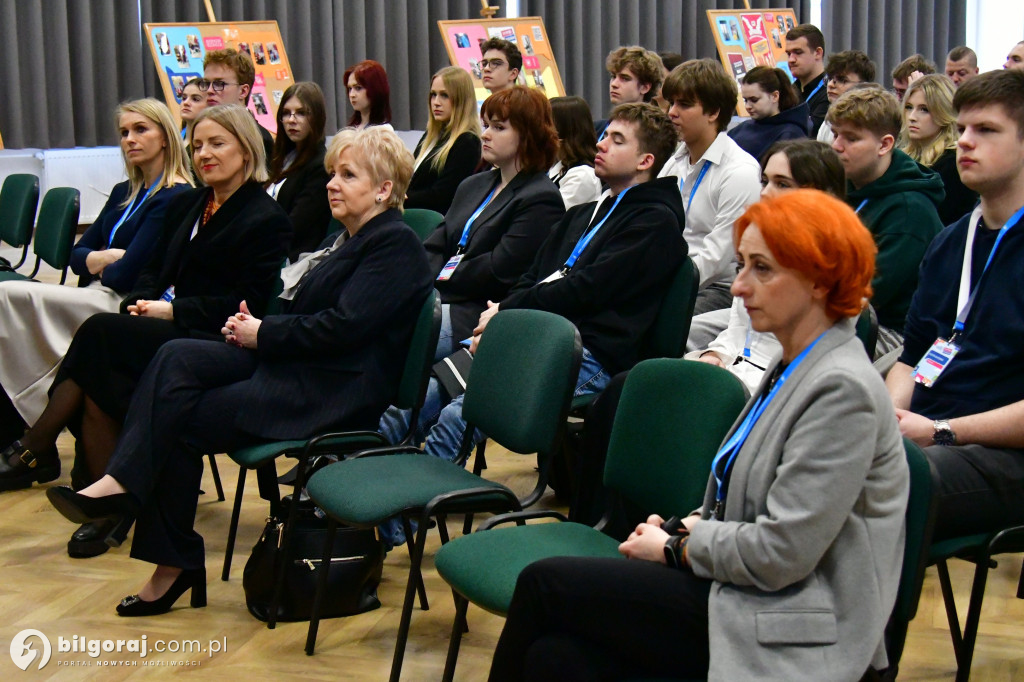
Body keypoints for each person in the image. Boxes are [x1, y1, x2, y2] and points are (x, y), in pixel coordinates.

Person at [489, 189, 908, 682]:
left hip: (793, 622)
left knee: (545, 585)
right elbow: (750, 497)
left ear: (819, 280)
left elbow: (781, 553)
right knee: (553, 659)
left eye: (761, 269)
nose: (738, 286)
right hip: (747, 590)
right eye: (742, 265)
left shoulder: (842, 390)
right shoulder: (794, 362)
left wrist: (675, 549)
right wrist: (682, 527)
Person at [44, 127, 433, 616]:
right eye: (332, 173)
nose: (332, 183)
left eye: (348, 175)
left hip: (329, 388)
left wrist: (263, 333)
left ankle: (168, 558)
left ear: (382, 189)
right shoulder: (349, 240)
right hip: (298, 364)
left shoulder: (393, 243)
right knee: (177, 354)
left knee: (179, 418)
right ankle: (124, 486)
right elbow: (314, 317)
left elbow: (345, 328)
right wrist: (253, 325)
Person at [0, 105, 290, 556]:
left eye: (217, 143)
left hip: (213, 337)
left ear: (246, 148)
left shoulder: (265, 217)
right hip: (163, 322)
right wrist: (145, 302)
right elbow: (154, 268)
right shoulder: (191, 202)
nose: (204, 154)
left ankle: (40, 446)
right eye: (196, 146)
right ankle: (105, 498)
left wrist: (172, 312)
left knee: (98, 332)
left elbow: (244, 303)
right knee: (99, 380)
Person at [401, 102, 685, 484]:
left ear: (645, 160)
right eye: (605, 135)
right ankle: (364, 487)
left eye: (617, 140)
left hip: (587, 351)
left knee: (458, 415)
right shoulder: (586, 213)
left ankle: (395, 521)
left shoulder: (655, 223)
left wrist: (507, 314)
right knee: (424, 395)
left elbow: (586, 290)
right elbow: (532, 273)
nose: (601, 144)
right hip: (533, 334)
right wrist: (507, 313)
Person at [0, 99, 192, 473]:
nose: (129, 140)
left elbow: (129, 274)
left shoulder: (175, 196)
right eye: (124, 133)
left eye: (141, 130)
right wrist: (101, 258)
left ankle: (31, 442)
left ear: (166, 137)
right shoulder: (126, 190)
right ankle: (26, 437)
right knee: (8, 310)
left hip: (124, 303)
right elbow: (77, 253)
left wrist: (98, 261)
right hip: (95, 292)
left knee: (7, 296)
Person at [886, 68, 1024, 545]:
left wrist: (941, 430)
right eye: (962, 128)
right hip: (928, 435)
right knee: (807, 450)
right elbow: (912, 358)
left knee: (877, 484)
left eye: (986, 130)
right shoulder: (951, 242)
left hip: (1001, 453)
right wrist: (888, 418)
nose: (964, 141)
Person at [418, 86, 564, 361]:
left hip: (475, 311)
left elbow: (498, 270)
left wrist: (441, 279)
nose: (485, 134)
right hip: (438, 296)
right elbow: (436, 243)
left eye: (498, 127)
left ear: (527, 134)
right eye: (487, 125)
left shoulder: (541, 199)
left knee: (398, 333)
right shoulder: (474, 184)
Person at [690, 140, 846, 395]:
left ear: (817, 194)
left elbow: (800, 365)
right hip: (736, 369)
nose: (764, 193)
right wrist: (715, 354)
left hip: (776, 387)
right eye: (765, 182)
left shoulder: (828, 265)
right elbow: (738, 329)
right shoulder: (764, 241)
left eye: (782, 184)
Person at [828, 86, 945, 355]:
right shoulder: (844, 185)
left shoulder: (909, 211)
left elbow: (864, 297)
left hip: (891, 331)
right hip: (838, 311)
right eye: (835, 134)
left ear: (885, 145)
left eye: (851, 138)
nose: (836, 146)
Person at [658, 59, 761, 315]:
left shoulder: (739, 172)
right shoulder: (674, 161)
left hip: (716, 289)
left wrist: (655, 288)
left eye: (684, 104)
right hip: (668, 277)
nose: (671, 112)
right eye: (671, 102)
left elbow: (715, 259)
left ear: (713, 112)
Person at [265, 81, 332, 261]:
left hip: (293, 258)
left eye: (301, 113)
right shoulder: (282, 158)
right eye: (286, 113)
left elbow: (294, 227)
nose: (291, 120)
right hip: (268, 248)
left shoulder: (319, 166)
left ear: (317, 117)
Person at [899, 74, 979, 224]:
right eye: (909, 107)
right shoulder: (903, 158)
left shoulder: (953, 163)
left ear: (943, 112)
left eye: (924, 109)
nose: (912, 117)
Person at [406, 66, 482, 214]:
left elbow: (442, 196)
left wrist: (399, 199)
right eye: (433, 95)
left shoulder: (467, 142)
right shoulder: (432, 135)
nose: (436, 102)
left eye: (444, 95)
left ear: (461, 100)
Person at [200, 48, 274, 169]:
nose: (209, 91)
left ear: (243, 91)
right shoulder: (201, 131)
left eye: (219, 84)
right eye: (206, 83)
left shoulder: (259, 138)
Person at [727, 66, 809, 161]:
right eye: (745, 100)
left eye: (754, 100)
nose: (747, 106)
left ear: (774, 96)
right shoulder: (741, 128)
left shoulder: (791, 135)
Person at [593, 46, 664, 139]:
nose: (614, 84)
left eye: (625, 78)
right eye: (613, 76)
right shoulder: (596, 129)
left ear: (645, 87)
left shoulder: (656, 133)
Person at [549, 96, 602, 209]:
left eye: (546, 124)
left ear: (562, 130)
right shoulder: (561, 166)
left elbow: (551, 215)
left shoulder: (581, 176)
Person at [817, 50, 876, 144]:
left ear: (864, 86)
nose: (831, 85)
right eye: (830, 78)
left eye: (842, 80)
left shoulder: (871, 122)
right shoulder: (828, 123)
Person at [785, 23, 829, 136]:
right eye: (788, 54)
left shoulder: (831, 92)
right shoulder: (788, 92)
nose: (791, 59)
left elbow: (810, 134)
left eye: (798, 52)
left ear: (818, 53)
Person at [344, 60, 392, 130]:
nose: (351, 95)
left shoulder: (383, 131)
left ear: (374, 89)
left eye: (358, 88)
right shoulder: (352, 129)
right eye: (350, 89)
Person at [178, 77, 207, 142]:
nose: (186, 103)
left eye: (195, 99)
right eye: (184, 98)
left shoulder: (209, 140)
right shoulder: (177, 137)